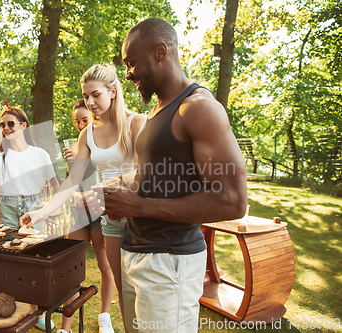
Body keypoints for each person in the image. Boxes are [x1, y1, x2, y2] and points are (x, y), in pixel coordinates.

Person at [94, 18, 248, 332]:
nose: (127, 73)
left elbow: (233, 202)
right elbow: (158, 177)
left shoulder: (197, 109)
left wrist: (136, 207)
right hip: (138, 254)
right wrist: (120, 187)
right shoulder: (154, 114)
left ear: (161, 51)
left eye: (132, 63)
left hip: (170, 264)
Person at [20, 64, 145, 333]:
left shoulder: (137, 123)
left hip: (141, 215)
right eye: (86, 96)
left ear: (113, 92)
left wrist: (106, 186)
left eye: (95, 95)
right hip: (110, 219)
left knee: (144, 287)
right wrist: (40, 213)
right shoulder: (86, 134)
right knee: (124, 290)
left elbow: (145, 171)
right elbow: (71, 182)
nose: (89, 102)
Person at [0, 103, 58, 330]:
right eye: (2, 125)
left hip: (34, 208)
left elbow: (55, 185)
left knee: (36, 262)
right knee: (10, 263)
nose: (6, 128)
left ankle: (37, 312)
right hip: (8, 209)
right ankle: (12, 309)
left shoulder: (39, 154)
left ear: (23, 125)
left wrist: (46, 207)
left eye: (10, 123)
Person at [60, 99, 116, 333]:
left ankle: (104, 315)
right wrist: (71, 164)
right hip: (78, 212)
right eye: (77, 121)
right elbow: (73, 183)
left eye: (85, 119)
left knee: (105, 265)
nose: (81, 124)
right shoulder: (77, 147)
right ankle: (66, 327)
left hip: (100, 213)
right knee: (70, 269)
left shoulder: (103, 142)